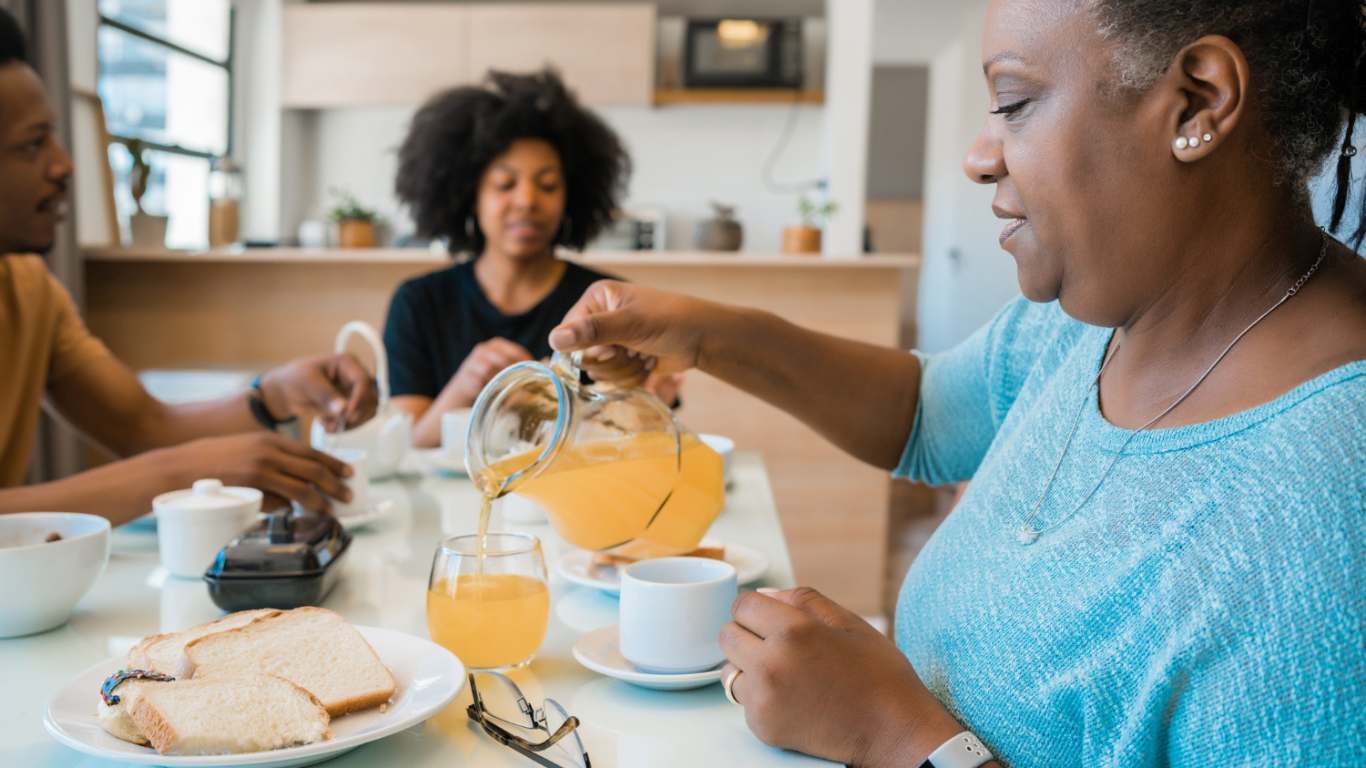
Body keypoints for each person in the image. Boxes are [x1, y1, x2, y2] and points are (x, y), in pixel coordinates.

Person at [548, 0, 1366, 764]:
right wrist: (699, 332)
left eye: (1013, 103)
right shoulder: (1106, 316)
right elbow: (927, 415)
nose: (979, 157)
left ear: (1197, 102)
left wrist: (902, 736)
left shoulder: (1329, 509)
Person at [0, 8, 377, 525]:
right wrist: (173, 475)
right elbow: (162, 455)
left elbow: (144, 425)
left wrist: (275, 394)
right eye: (32, 144)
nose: (64, 165)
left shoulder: (28, 290)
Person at [385, 69, 676, 448]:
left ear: (570, 197)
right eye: (505, 184)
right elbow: (410, 447)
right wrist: (466, 388)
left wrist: (645, 389)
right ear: (468, 195)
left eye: (548, 185)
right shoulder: (418, 303)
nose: (526, 201)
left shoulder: (607, 302)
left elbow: (640, 439)